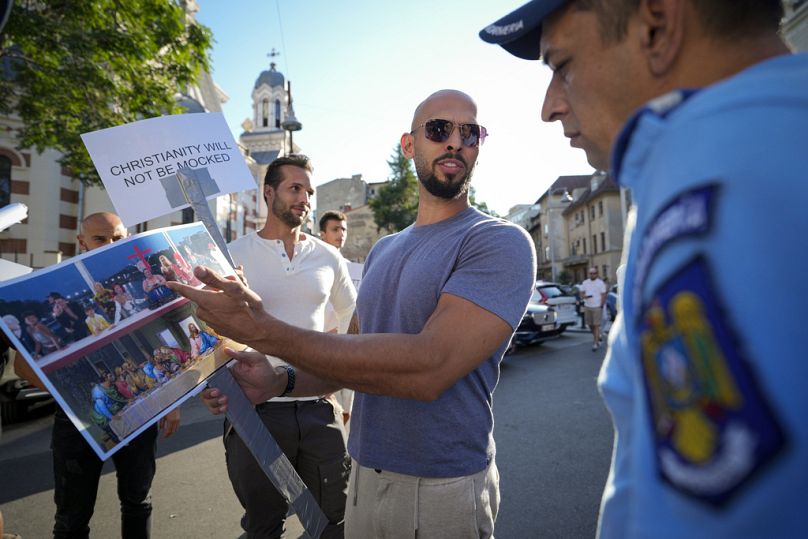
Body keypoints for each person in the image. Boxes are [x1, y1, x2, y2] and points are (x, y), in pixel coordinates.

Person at [480, 1, 806, 537]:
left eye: (561, 64)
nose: (550, 106)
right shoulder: (750, 142)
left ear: (656, 25)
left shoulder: (716, 177)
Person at [169, 90, 536, 537]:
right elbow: (350, 356)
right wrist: (279, 381)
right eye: (440, 130)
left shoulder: (499, 241)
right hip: (363, 472)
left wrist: (264, 332)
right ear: (409, 145)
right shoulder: (384, 250)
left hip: (443, 484)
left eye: (470, 132)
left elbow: (429, 368)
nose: (455, 142)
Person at [199, 154, 356, 538]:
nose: (304, 198)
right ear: (269, 193)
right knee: (264, 526)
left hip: (320, 410)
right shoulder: (232, 256)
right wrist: (212, 385)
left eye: (309, 191)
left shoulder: (328, 256)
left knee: (333, 522)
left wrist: (344, 399)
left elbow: (354, 326)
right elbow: (207, 334)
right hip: (256, 414)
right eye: (295, 188)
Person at [14, 211, 181, 538]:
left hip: (138, 418)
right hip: (77, 423)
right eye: (100, 239)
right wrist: (72, 393)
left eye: (117, 238)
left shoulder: (132, 287)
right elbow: (22, 367)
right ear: (81, 242)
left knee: (138, 502)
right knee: (72, 518)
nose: (109, 245)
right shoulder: (60, 298)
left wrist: (171, 401)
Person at [318, 210, 354, 427]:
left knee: (348, 407)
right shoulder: (315, 265)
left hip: (348, 345)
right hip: (321, 345)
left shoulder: (351, 266)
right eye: (335, 229)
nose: (341, 233)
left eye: (343, 229)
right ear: (322, 233)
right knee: (325, 404)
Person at [579, 267, 606, 351]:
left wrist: (601, 305)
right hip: (588, 306)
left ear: (596, 274)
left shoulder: (600, 283)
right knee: (590, 325)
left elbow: (603, 295)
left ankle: (595, 343)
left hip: (597, 306)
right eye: (591, 273)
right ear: (589, 274)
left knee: (596, 325)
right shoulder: (585, 283)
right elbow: (581, 293)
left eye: (594, 273)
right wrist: (584, 296)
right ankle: (598, 336)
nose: (592, 274)